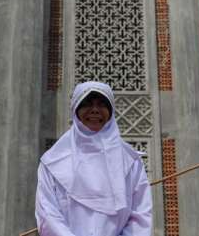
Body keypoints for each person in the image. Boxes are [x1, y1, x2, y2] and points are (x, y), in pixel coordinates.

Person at [35, 81, 152, 236]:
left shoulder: (130, 162)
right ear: (75, 110)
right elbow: (48, 214)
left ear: (111, 112)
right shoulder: (53, 162)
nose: (95, 110)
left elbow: (140, 216)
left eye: (102, 104)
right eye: (87, 104)